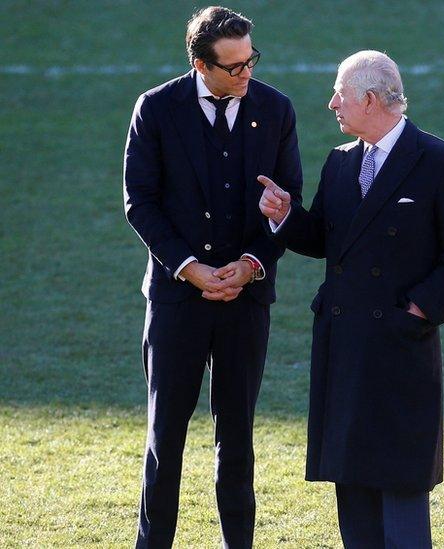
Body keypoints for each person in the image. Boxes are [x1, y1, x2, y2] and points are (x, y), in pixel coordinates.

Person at [257, 50, 444, 547]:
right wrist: (285, 216)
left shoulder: (441, 163)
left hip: (399, 346)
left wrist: (420, 309)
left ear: (372, 99)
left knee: (400, 484)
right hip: (345, 346)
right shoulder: (340, 163)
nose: (331, 103)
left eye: (341, 93)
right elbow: (329, 240)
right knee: (353, 486)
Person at [122, 6, 302, 547]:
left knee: (238, 436)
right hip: (178, 299)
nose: (246, 74)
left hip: (246, 300)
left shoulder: (275, 109)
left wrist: (250, 266)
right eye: (234, 67)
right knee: (165, 436)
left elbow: (287, 201)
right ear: (201, 64)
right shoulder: (155, 110)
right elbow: (141, 202)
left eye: (251, 61)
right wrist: (190, 269)